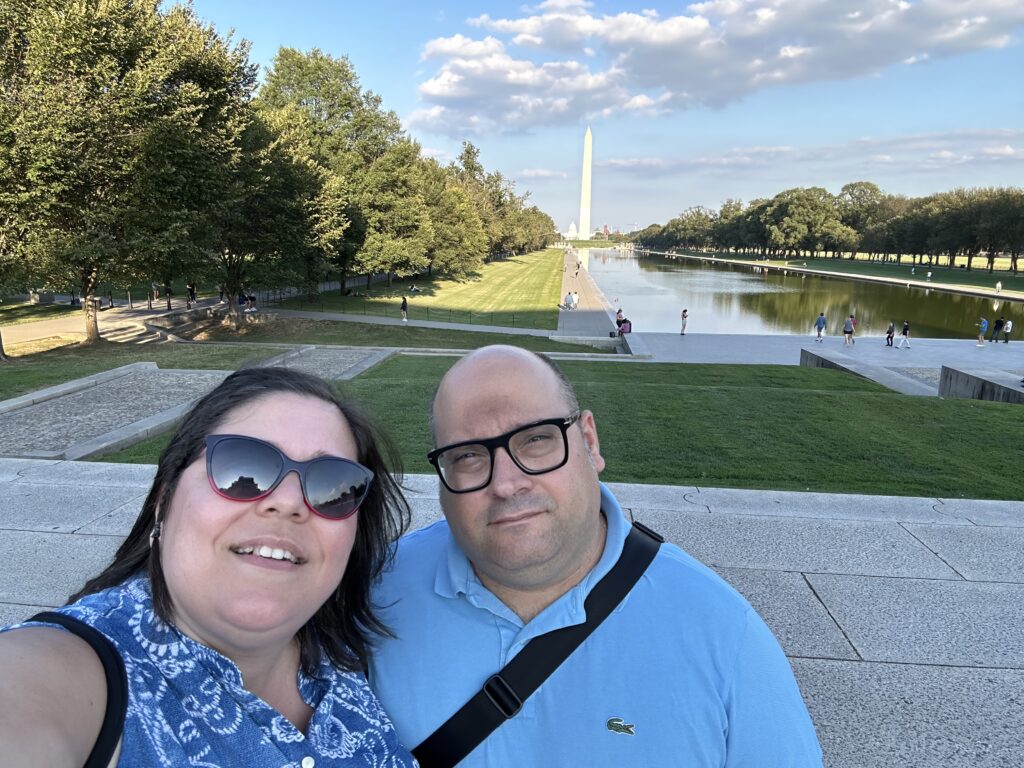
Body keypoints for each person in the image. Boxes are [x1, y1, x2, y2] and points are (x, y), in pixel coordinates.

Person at [370, 345, 823, 766]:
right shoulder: (372, 598)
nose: (506, 484)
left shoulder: (725, 634)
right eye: (467, 456)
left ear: (589, 440)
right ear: (442, 474)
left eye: (535, 440)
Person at [0, 368, 416, 766]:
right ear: (164, 500)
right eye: (243, 467)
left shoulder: (346, 654)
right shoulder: (64, 675)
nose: (289, 502)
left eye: (333, 486)